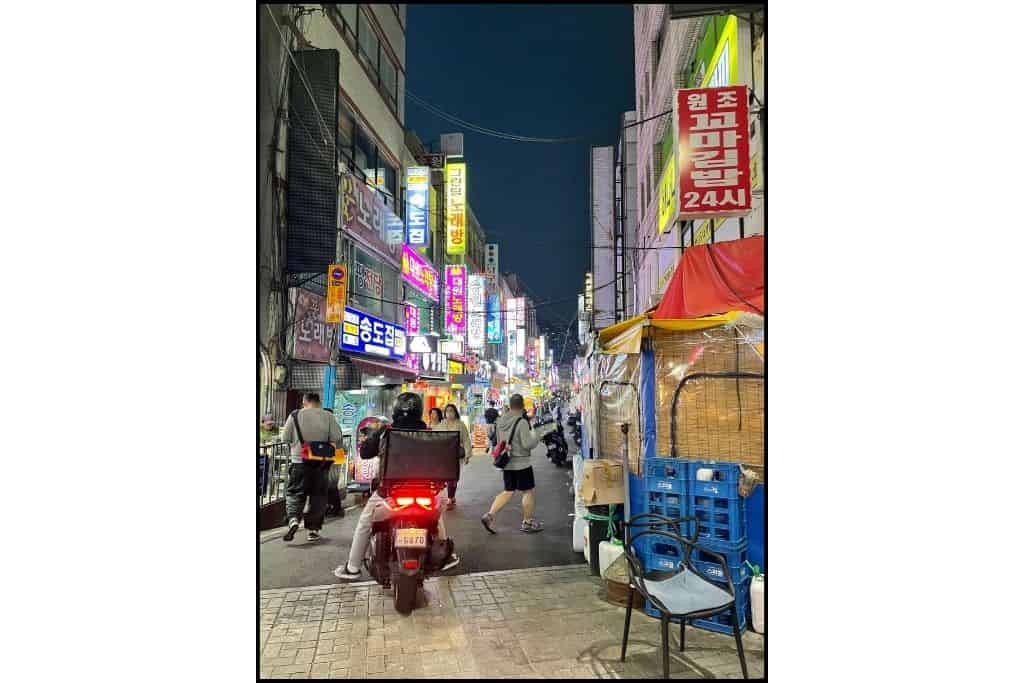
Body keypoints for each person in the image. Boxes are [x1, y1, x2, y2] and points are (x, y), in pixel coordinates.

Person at [334, 392, 458, 581]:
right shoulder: (429, 432)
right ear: (419, 411)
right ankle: (446, 556)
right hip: (426, 490)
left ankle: (353, 567)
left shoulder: (386, 431)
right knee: (437, 517)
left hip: (390, 492)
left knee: (365, 522)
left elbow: (366, 452)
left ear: (396, 409)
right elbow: (456, 451)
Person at [481, 393, 558, 534]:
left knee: (508, 491)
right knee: (527, 492)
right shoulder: (521, 422)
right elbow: (527, 444)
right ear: (522, 405)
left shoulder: (500, 421)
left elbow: (498, 443)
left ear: (510, 405)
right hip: (522, 463)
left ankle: (490, 515)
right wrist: (537, 434)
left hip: (507, 463)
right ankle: (527, 522)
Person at [279, 393, 344, 542]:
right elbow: (337, 437)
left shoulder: (295, 415)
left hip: (299, 462)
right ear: (318, 402)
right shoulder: (328, 416)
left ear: (304, 402)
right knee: (318, 497)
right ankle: (313, 530)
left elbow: (285, 438)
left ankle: (294, 519)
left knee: (295, 492)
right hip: (320, 463)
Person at [439, 404, 471, 510]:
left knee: (454, 477)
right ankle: (450, 496)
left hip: (456, 454)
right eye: (447, 411)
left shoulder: (460, 424)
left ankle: (451, 496)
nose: (449, 413)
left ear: (455, 412)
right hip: (444, 455)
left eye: (451, 410)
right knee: (448, 477)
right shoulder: (442, 424)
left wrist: (468, 454)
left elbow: (466, 439)